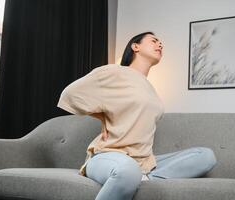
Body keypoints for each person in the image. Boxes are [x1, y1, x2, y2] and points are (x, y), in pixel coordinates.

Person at [57, 31, 217, 200]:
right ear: (135, 47)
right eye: (154, 41)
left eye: (161, 42)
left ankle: (144, 179)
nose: (160, 44)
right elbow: (70, 95)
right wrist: (102, 117)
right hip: (108, 157)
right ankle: (135, 177)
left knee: (205, 156)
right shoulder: (115, 72)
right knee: (128, 170)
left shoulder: (150, 89)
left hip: (145, 163)